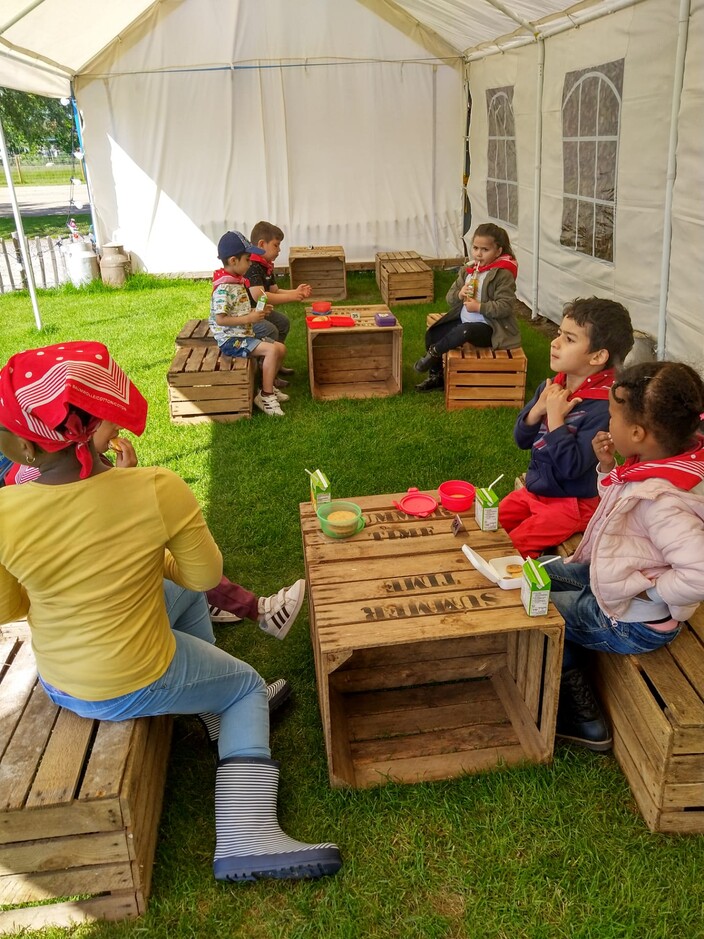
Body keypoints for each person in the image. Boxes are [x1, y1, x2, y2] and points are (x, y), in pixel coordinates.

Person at [0, 342, 342, 882]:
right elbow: (205, 577)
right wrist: (140, 527)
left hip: (61, 676)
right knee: (247, 687)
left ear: (24, 445)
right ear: (98, 429)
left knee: (180, 601)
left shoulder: (4, 510)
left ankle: (208, 717)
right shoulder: (154, 489)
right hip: (128, 678)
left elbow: (12, 606)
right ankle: (245, 838)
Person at [540, 360, 704, 753]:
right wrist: (608, 466)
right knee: (540, 573)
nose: (607, 423)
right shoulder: (661, 463)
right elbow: (620, 502)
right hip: (620, 583)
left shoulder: (663, 500)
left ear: (637, 432)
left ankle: (584, 720)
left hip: (630, 621)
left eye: (612, 416)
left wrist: (649, 593)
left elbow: (699, 571)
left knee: (535, 612)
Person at [498, 298, 634, 558]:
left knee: (511, 548)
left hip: (572, 504)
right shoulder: (553, 386)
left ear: (598, 356)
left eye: (569, 339)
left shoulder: (603, 407)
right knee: (488, 524)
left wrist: (556, 419)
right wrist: (537, 410)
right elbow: (521, 440)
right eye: (559, 333)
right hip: (535, 492)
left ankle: (533, 586)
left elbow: (572, 467)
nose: (554, 342)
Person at [414, 223, 521, 391]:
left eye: (485, 250)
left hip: (489, 327)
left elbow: (506, 306)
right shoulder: (469, 270)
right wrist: (460, 294)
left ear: (498, 251)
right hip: (465, 318)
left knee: (465, 331)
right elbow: (450, 298)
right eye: (476, 248)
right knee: (433, 333)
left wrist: (479, 307)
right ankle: (437, 377)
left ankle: (433, 353)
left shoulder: (503, 274)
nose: (479, 253)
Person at [210, 230, 288, 417]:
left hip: (243, 334)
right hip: (231, 340)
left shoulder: (236, 282)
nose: (251, 262)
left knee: (280, 349)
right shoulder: (224, 288)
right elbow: (221, 320)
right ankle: (266, 396)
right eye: (247, 259)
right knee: (271, 350)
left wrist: (256, 312)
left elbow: (237, 310)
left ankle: (266, 387)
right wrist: (249, 319)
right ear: (233, 261)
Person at [246, 220, 312, 389]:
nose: (279, 250)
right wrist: (293, 297)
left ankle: (275, 362)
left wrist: (295, 292)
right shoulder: (252, 266)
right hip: (247, 315)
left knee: (282, 322)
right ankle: (267, 368)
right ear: (261, 244)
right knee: (271, 329)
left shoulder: (265, 265)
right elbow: (262, 297)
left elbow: (274, 290)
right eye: (276, 245)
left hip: (259, 312)